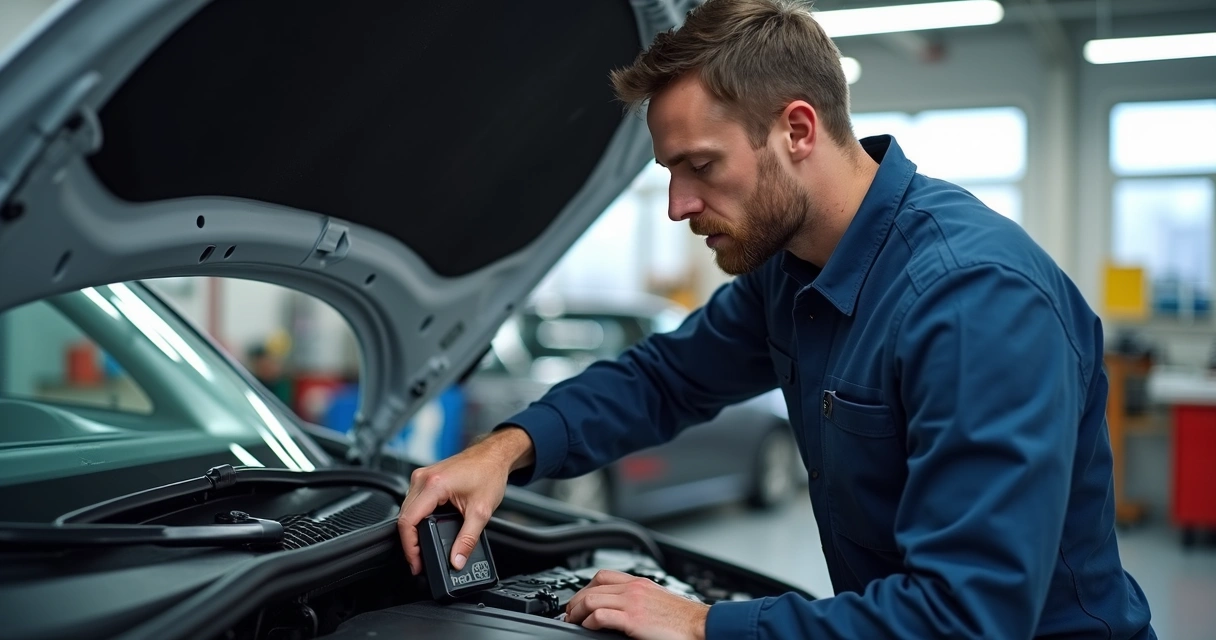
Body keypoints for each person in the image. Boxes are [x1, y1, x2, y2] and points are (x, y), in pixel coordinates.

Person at [397, 0, 1156, 638]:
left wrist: (703, 625)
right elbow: (664, 378)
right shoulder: (791, 271)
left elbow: (966, 616)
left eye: (701, 165)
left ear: (797, 130)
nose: (678, 206)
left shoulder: (974, 303)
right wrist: (507, 449)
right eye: (670, 173)